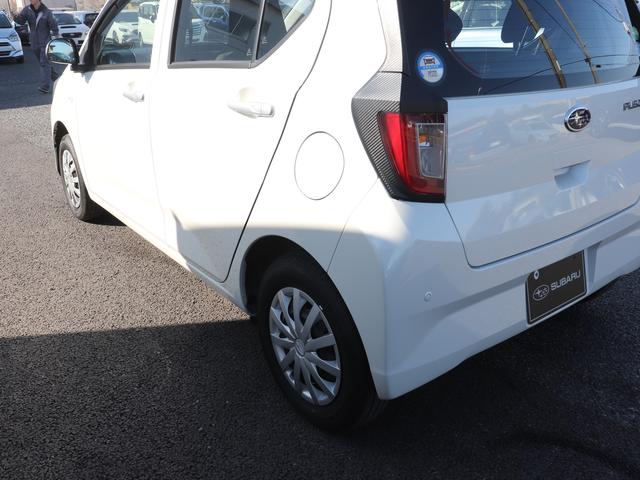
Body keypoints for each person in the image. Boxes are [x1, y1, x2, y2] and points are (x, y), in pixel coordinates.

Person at [14, 0, 58, 93]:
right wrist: (15, 16)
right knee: (44, 63)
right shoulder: (27, 10)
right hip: (34, 42)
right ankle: (57, 78)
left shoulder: (47, 12)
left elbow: (54, 26)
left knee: (44, 62)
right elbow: (21, 22)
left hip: (45, 41)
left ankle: (45, 87)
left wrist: (56, 39)